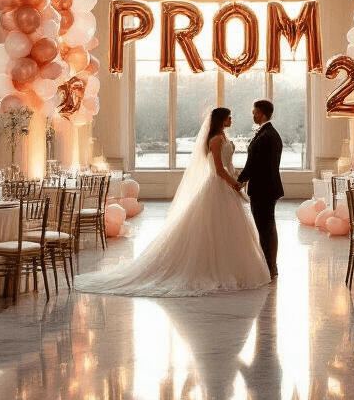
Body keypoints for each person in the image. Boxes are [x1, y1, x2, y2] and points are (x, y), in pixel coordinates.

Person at [74, 108, 271, 297]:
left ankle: (229, 267)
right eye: (229, 117)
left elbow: (228, 165)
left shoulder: (223, 137)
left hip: (226, 186)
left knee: (228, 229)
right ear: (221, 120)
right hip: (218, 185)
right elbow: (219, 169)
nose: (231, 120)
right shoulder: (216, 139)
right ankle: (214, 268)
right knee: (213, 227)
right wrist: (233, 183)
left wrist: (236, 178)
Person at [237, 99, 283, 278]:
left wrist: (240, 181)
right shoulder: (269, 133)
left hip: (263, 189)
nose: (253, 116)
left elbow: (254, 164)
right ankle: (270, 265)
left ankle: (270, 266)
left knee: (265, 228)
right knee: (268, 227)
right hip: (267, 187)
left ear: (261, 114)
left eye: (254, 112)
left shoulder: (266, 136)